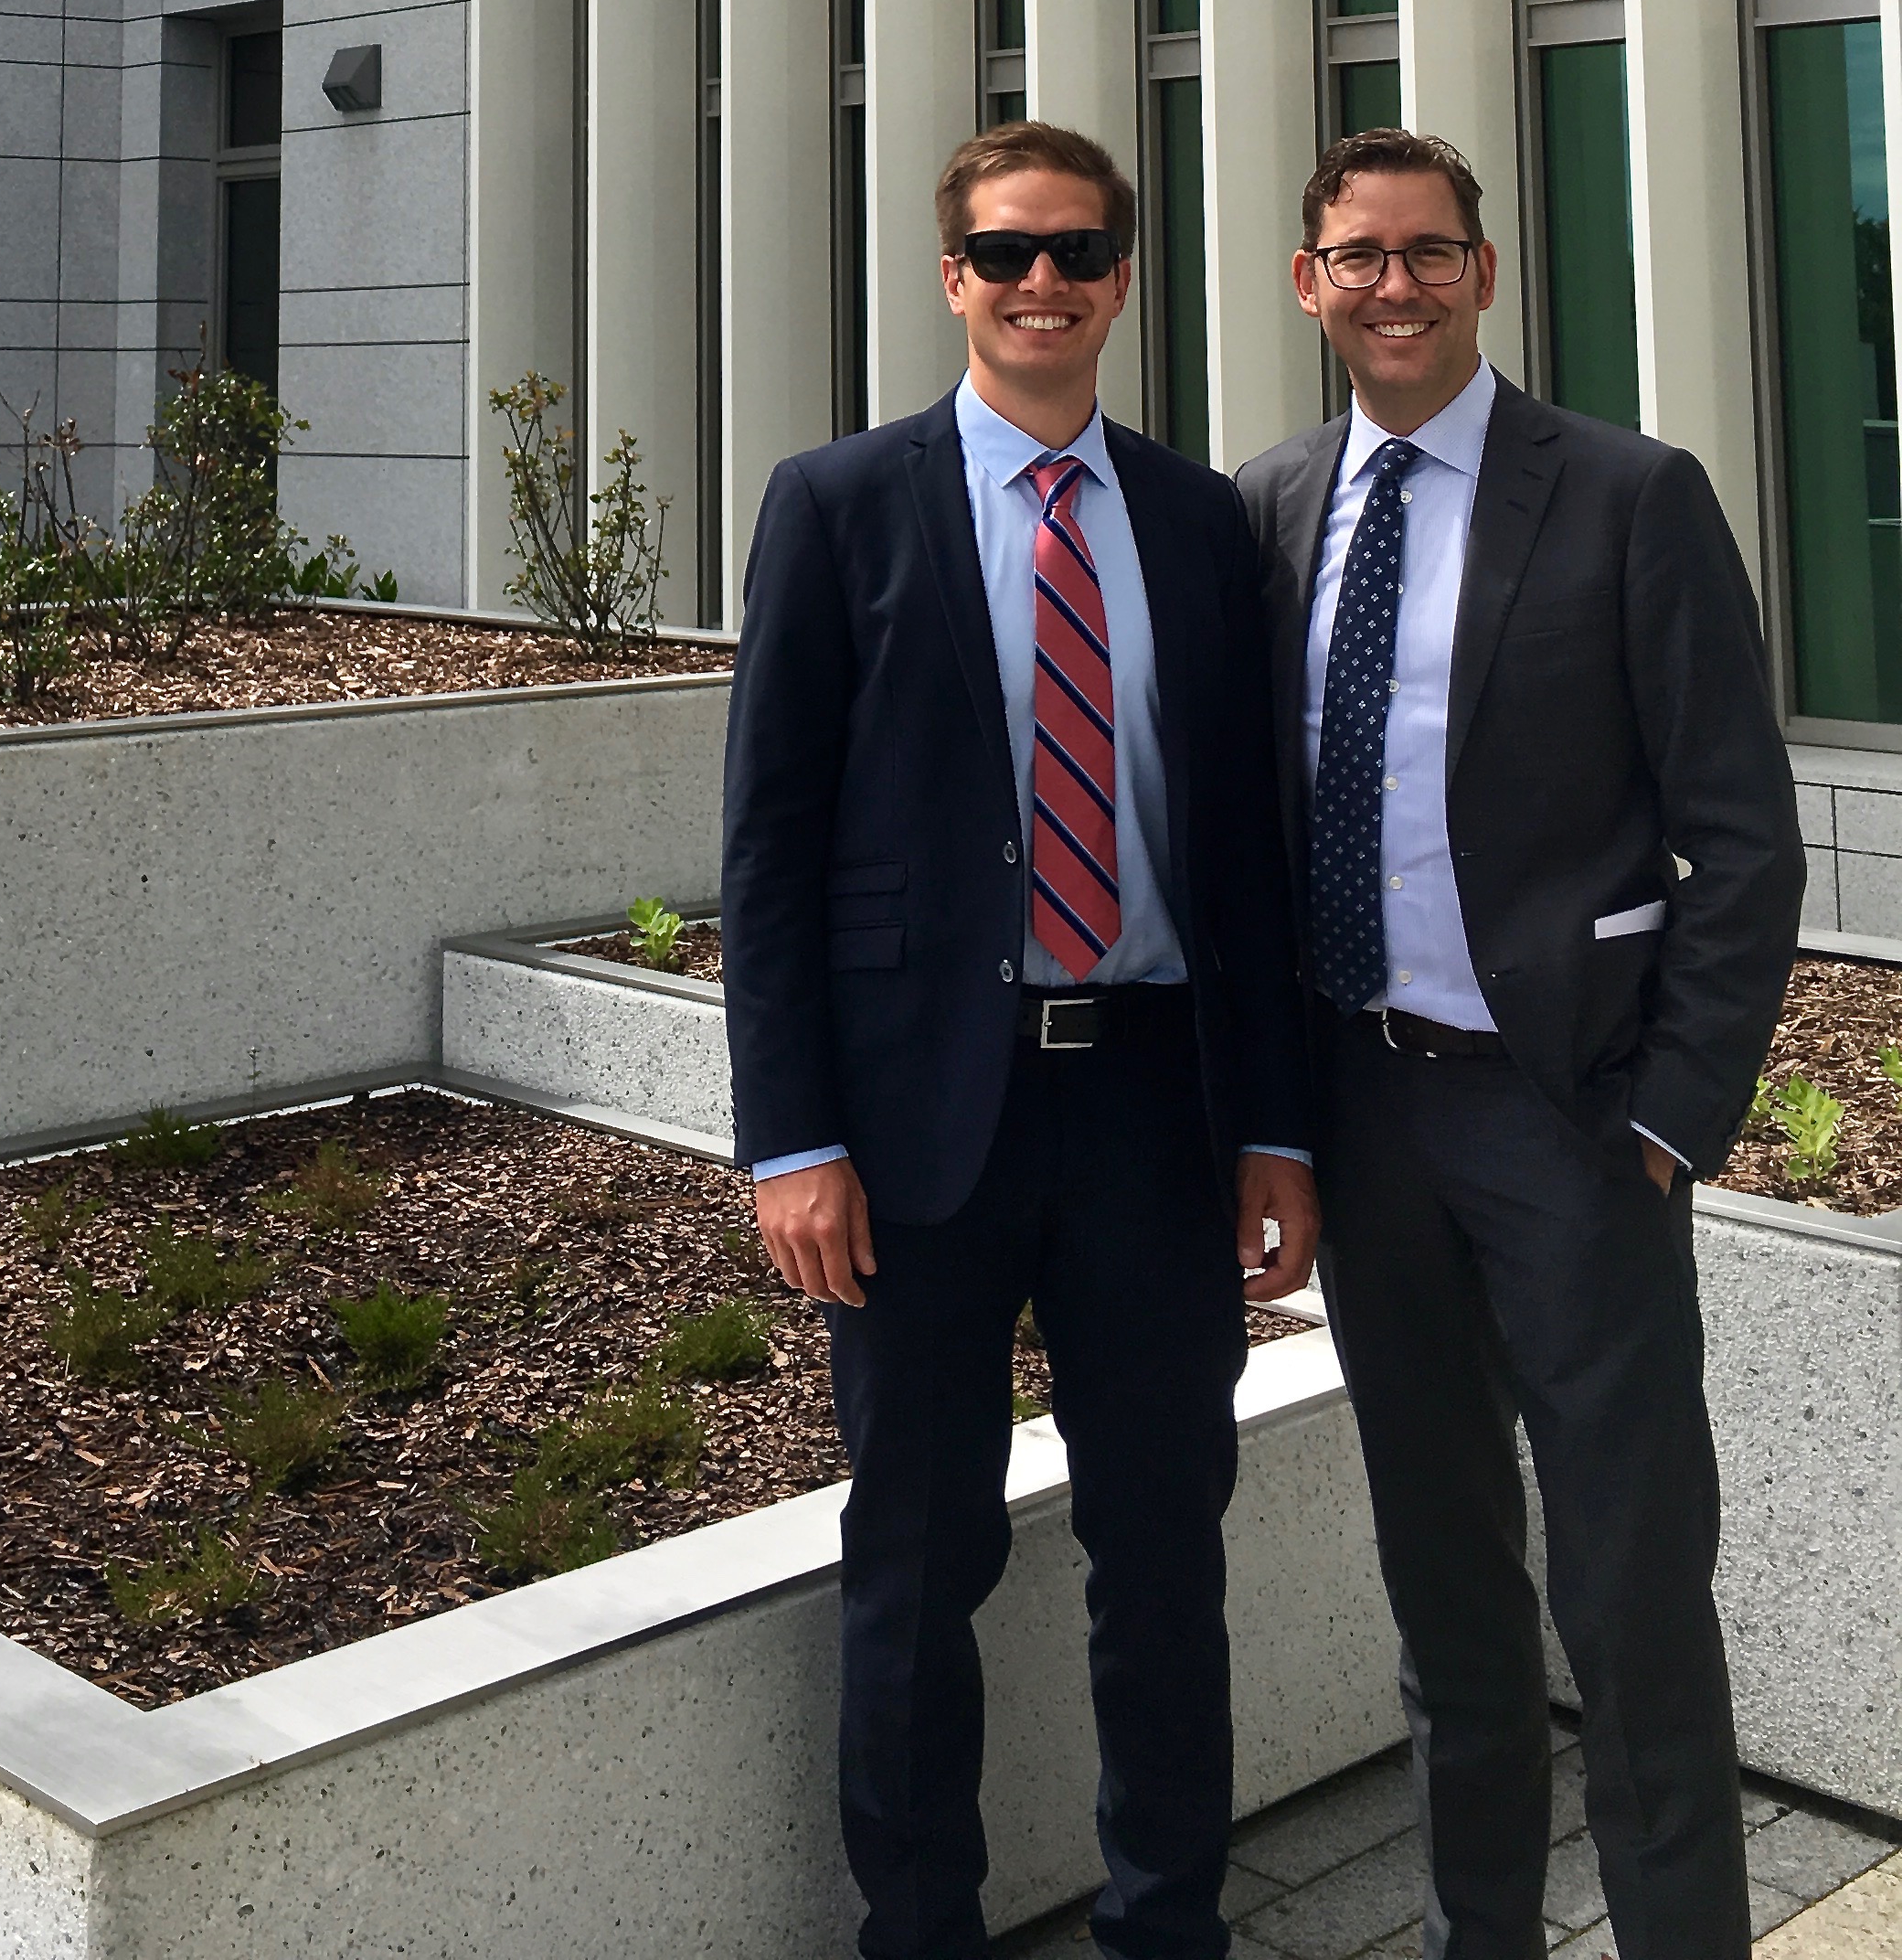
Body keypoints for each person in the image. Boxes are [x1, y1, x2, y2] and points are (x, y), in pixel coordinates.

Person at [726, 118, 1318, 1960]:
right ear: (952, 277)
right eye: (1004, 253)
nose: (1040, 282)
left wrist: (1277, 1128)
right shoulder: (838, 505)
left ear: (1122, 281)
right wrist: (791, 1139)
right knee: (919, 1559)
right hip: (918, 1128)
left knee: (1165, 1556)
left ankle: (1171, 1927)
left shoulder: (1196, 519)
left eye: (1074, 252)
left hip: (1153, 1109)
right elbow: (769, 851)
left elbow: (1245, 855)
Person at [1236, 126, 1802, 1960]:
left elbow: (1745, 839)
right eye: (1359, 256)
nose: (1394, 284)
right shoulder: (1268, 509)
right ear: (1309, 285)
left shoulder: (1631, 495)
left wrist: (1673, 1116)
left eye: (1430, 252)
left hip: (1572, 1128)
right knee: (1447, 1595)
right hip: (1364, 1116)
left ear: (1484, 273)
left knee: (1633, 1604)